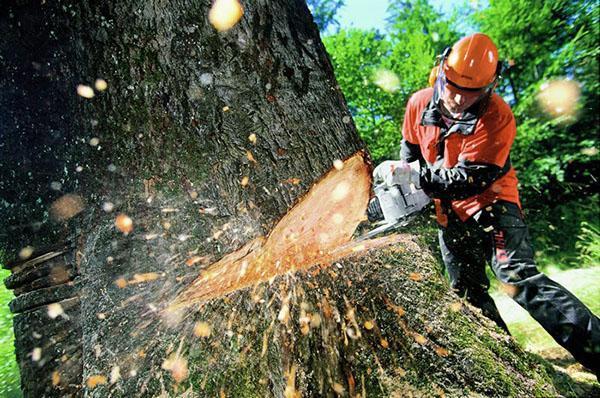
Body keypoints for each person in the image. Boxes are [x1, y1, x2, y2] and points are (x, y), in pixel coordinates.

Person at [382, 33, 599, 375]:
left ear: (488, 87)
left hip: (494, 206)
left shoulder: (497, 116)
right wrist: (407, 178)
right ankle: (510, 371)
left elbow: (471, 180)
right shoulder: (418, 104)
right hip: (448, 214)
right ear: (441, 72)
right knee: (467, 293)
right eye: (451, 86)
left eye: (469, 94)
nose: (456, 98)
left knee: (519, 279)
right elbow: (410, 149)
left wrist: (418, 177)